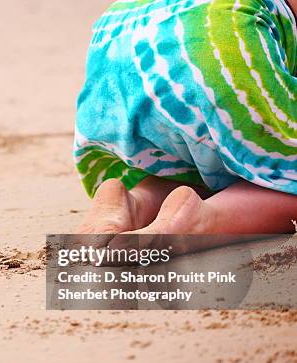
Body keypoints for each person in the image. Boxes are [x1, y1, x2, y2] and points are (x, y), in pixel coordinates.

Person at [75, 0, 297, 236]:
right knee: (284, 174)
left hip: (120, 36)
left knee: (192, 167)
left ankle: (135, 203)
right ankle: (202, 219)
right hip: (218, 33)